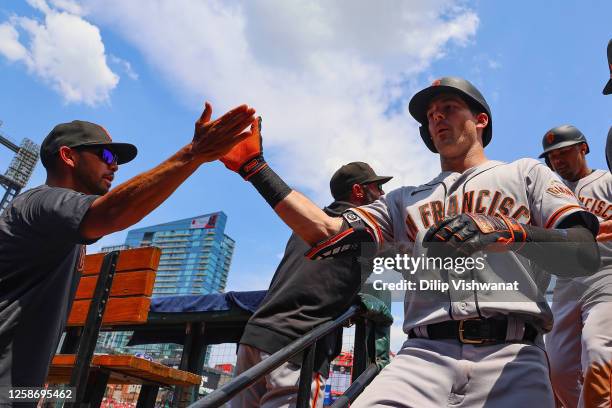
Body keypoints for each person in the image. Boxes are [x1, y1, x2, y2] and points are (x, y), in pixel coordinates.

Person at [219, 76, 601, 406]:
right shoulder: (402, 200)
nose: (436, 118)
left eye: (448, 108)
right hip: (422, 355)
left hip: (514, 353)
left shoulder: (525, 173)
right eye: (431, 116)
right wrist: (257, 169)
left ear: (481, 120)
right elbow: (325, 232)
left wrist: (510, 232)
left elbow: (583, 253)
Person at [0, 102, 256, 396]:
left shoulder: (60, 223)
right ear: (68, 156)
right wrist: (193, 154)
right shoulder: (43, 203)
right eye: (105, 154)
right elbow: (112, 213)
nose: (115, 165)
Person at [230, 161, 391, 408]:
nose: (382, 194)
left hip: (254, 338)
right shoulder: (364, 232)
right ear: (359, 191)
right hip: (297, 348)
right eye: (377, 188)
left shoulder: (304, 225)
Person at [539, 125, 612, 407]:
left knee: (597, 352)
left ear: (583, 148)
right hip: (565, 285)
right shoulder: (551, 193)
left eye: (564, 153)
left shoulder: (606, 181)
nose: (557, 162)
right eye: (551, 158)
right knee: (558, 372)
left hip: (606, 274)